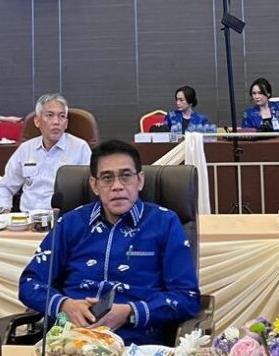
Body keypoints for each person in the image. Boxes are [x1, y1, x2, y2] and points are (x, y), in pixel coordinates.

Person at [18, 140, 201, 345]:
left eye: (126, 176)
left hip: (134, 345)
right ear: (94, 185)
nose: (117, 186)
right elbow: (29, 283)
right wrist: (64, 305)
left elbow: (187, 297)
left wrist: (130, 312)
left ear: (140, 180)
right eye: (107, 178)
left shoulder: (164, 223)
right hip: (67, 342)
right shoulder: (71, 222)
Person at [0, 93, 92, 214]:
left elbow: (92, 190)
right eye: (49, 115)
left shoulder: (80, 148)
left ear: (66, 123)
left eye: (61, 116)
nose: (56, 122)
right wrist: (4, 212)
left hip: (64, 219)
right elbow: (4, 187)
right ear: (37, 121)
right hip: (28, 219)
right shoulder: (26, 149)